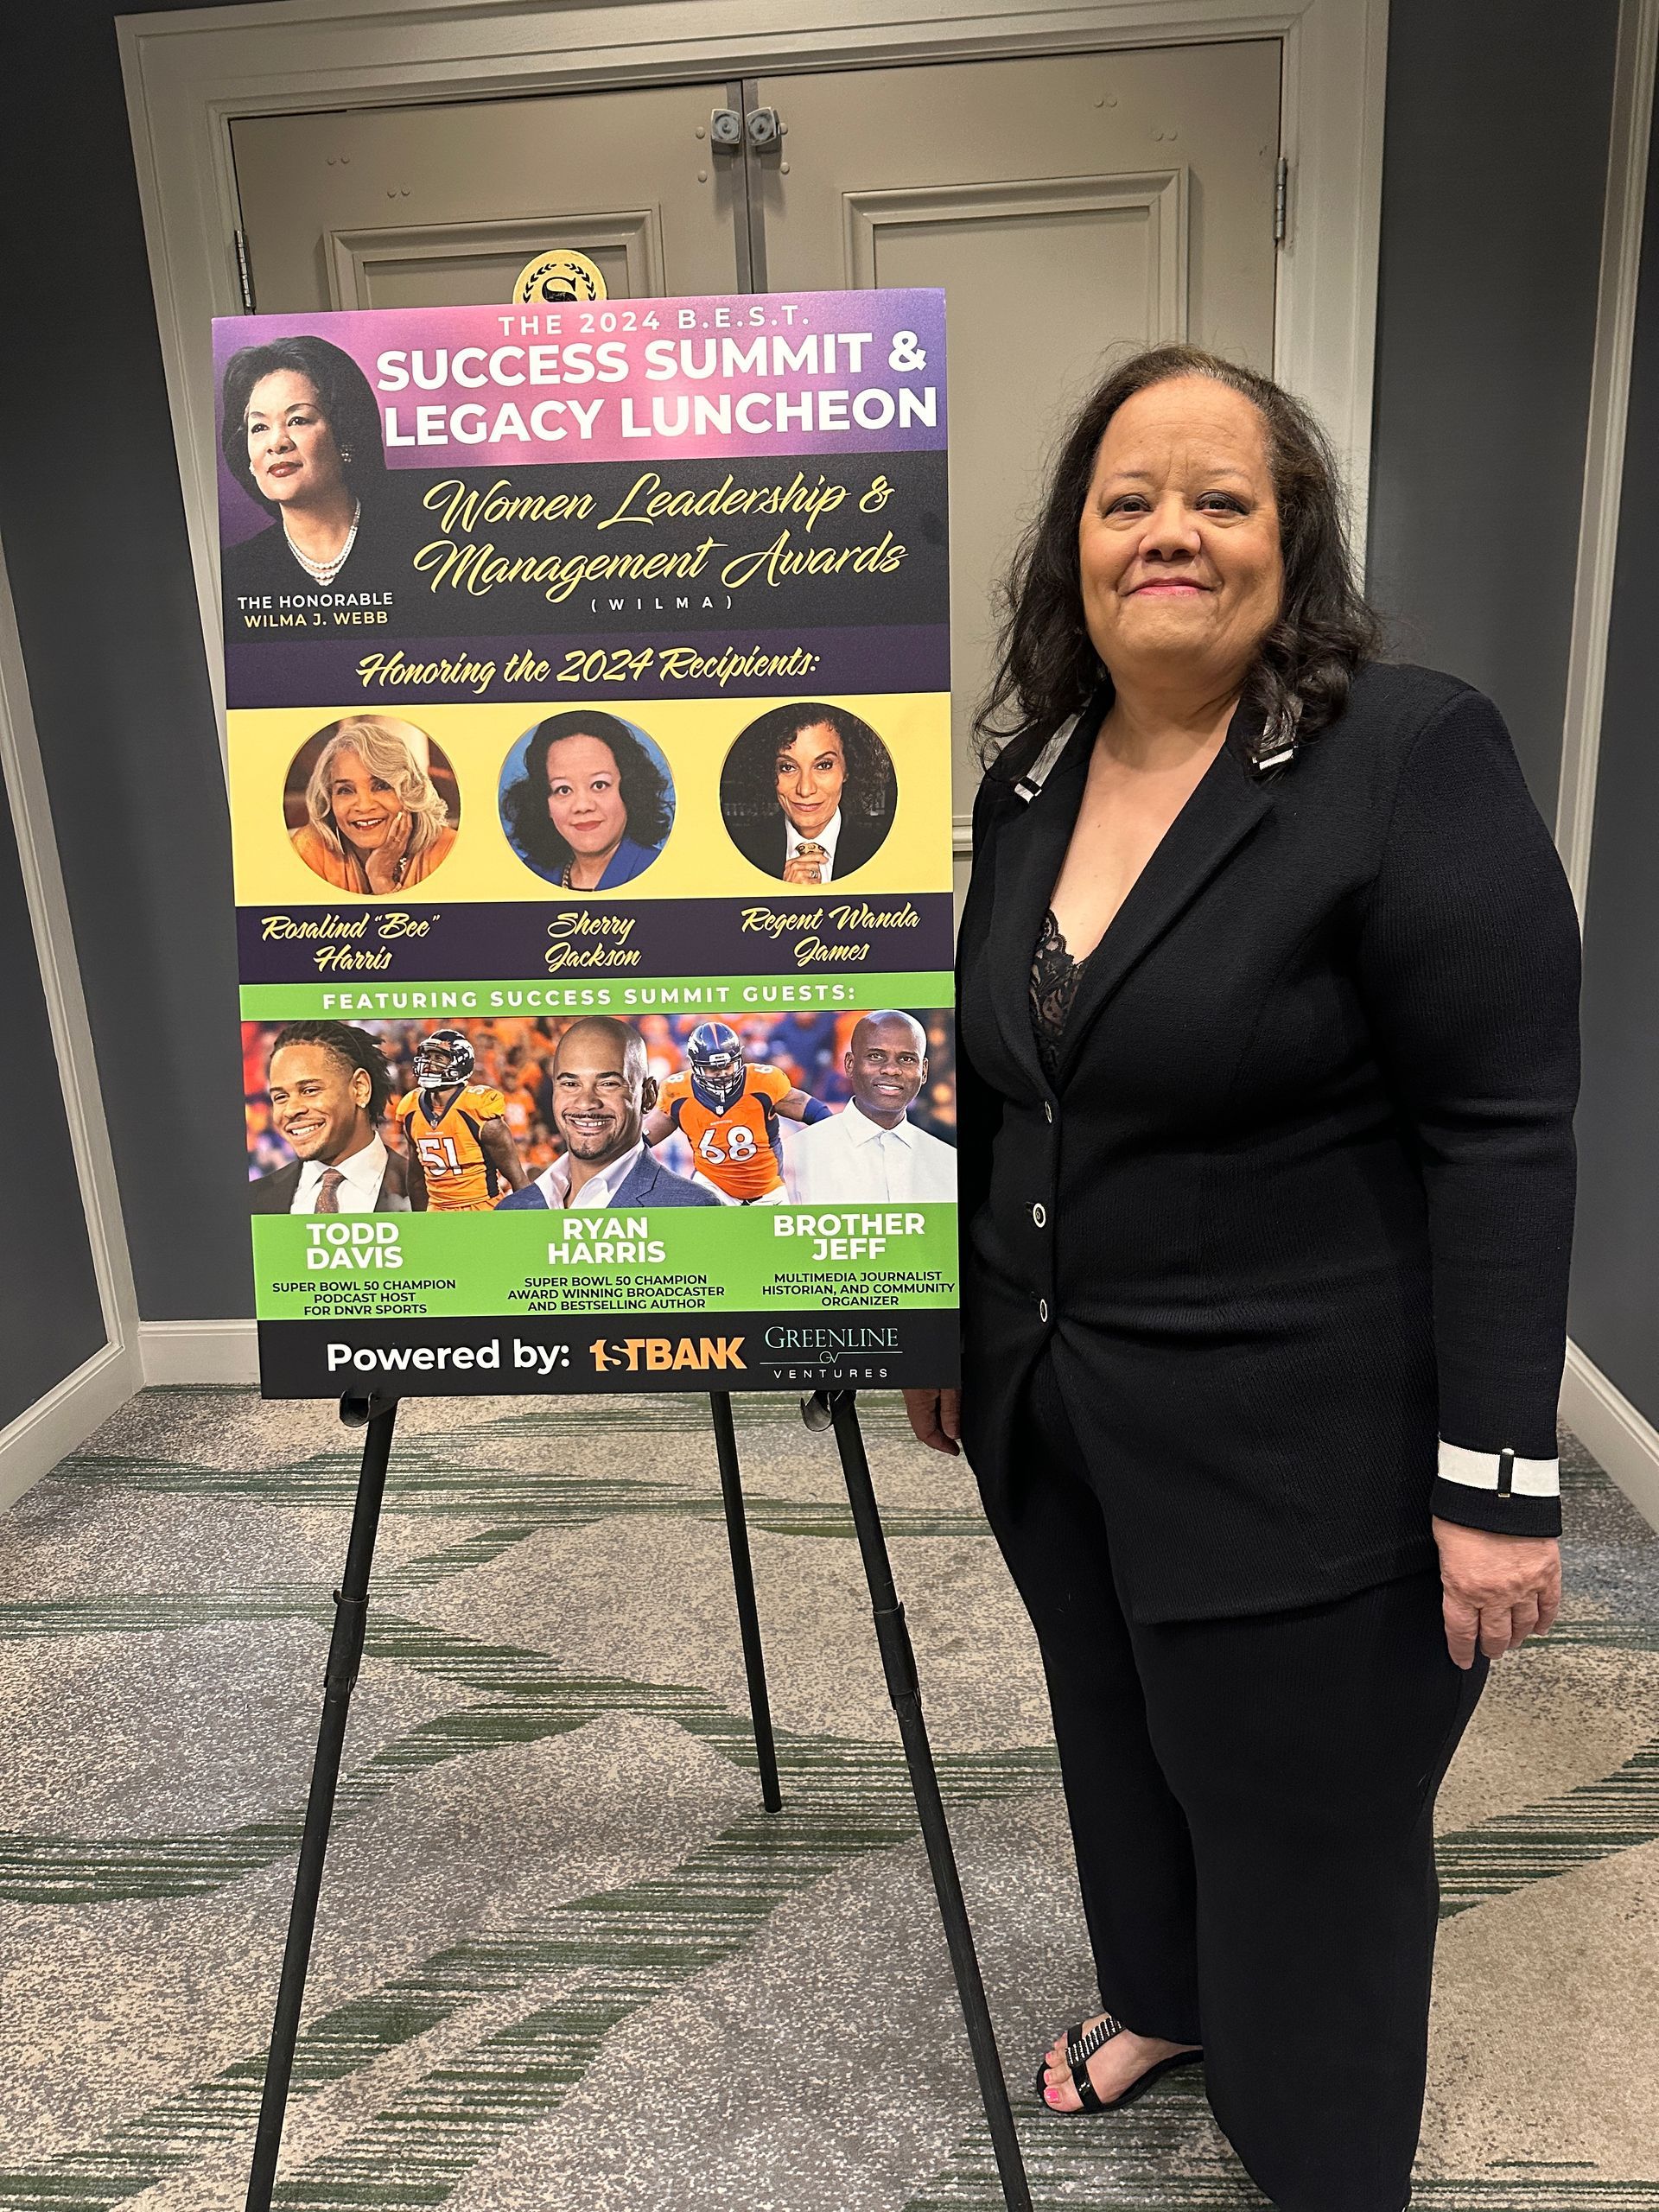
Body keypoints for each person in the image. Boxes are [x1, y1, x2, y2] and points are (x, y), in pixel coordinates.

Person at [901, 346, 1580, 2212]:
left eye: (1221, 497)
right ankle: (1168, 1994)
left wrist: (1497, 1485)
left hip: (1306, 1436)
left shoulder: (1407, 755)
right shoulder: (1034, 767)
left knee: (1310, 1818)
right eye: (1129, 500)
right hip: (1059, 1404)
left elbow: (1504, 1132)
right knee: (1118, 1722)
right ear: (1077, 545)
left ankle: (1322, 2155)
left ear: (1294, 540)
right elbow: (1011, 1086)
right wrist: (949, 1319)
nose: (1170, 533)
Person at [219, 334, 394, 603]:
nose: (276, 443)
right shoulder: (237, 569)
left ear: (343, 434)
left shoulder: (417, 549)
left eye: (298, 420)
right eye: (259, 427)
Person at [497, 1018, 718, 1210]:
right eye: (570, 1083)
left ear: (649, 1096)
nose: (585, 1103)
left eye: (608, 1083)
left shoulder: (691, 1207)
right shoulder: (514, 1210)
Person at [644, 1020, 831, 1202]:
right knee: (700, 1223)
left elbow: (814, 1112)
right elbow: (642, 1140)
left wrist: (837, 1133)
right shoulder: (678, 1092)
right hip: (712, 1186)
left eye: (727, 1066)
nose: (723, 1074)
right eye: (713, 1070)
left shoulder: (762, 1083)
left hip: (767, 1189)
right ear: (695, 1066)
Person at [785, 1010, 957, 1203]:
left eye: (907, 1059)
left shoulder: (949, 1161)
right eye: (876, 1056)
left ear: (923, 1071)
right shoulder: (795, 1154)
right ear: (850, 1064)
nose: (891, 1069)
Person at [719, 702, 895, 883]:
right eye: (787, 767)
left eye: (823, 765)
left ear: (848, 769)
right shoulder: (739, 849)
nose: (805, 789)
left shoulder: (887, 852)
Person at [500, 711, 672, 889]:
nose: (582, 806)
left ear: (630, 791)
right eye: (563, 789)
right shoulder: (529, 875)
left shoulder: (664, 874)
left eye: (599, 785)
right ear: (545, 804)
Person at [250, 1020, 409, 1212]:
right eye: (281, 1097)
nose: (291, 1110)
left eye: (309, 1090)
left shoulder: (430, 1194)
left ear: (360, 1088)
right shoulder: (254, 1199)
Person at [289, 716, 457, 894]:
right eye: (345, 790)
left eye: (381, 786)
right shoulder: (310, 848)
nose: (364, 806)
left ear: (410, 791)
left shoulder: (447, 850)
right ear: (329, 799)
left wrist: (381, 880)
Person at [393, 1028, 528, 1211]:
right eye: (428, 1057)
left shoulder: (477, 1109)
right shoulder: (411, 1108)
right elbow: (417, 1179)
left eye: (438, 1059)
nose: (429, 1064)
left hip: (481, 1209)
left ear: (460, 1065)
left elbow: (518, 1179)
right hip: (437, 1212)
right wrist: (421, 1226)